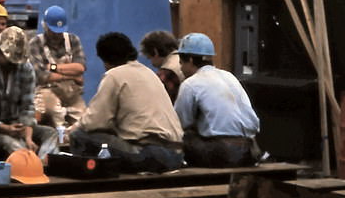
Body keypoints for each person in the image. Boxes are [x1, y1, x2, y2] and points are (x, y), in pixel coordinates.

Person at [67, 32, 184, 173]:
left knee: (79, 136)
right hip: (176, 155)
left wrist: (73, 128)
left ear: (105, 60)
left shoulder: (114, 75)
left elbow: (94, 122)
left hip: (150, 155)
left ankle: (91, 187)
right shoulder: (149, 73)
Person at [0, 25, 59, 161]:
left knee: (50, 133)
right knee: (11, 143)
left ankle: (43, 164)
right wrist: (5, 128)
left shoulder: (25, 68)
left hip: (15, 126)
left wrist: (28, 136)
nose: (13, 65)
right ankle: (28, 166)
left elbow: (27, 107)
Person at [173, 32, 262, 167]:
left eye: (181, 62)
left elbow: (179, 124)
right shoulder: (229, 76)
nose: (180, 68)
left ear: (190, 60)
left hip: (222, 153)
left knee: (185, 136)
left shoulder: (191, 84)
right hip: (250, 151)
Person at [28, 5, 87, 128]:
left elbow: (80, 68)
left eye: (59, 32)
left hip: (72, 94)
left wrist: (53, 67)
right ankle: (60, 141)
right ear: (45, 26)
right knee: (55, 114)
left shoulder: (73, 40)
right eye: (53, 31)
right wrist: (72, 76)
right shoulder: (35, 43)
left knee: (84, 123)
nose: (57, 35)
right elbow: (42, 76)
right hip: (48, 91)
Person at [139, 30, 184, 104]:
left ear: (155, 52)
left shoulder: (167, 71)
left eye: (149, 57)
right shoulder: (184, 59)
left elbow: (158, 103)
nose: (152, 63)